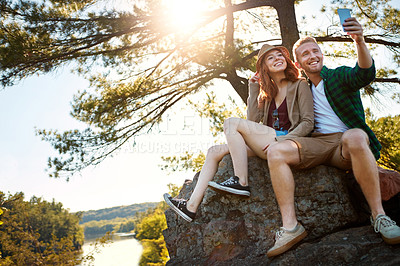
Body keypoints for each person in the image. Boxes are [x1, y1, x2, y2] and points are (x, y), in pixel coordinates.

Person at [265, 17, 400, 258]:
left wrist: (359, 40)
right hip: (316, 143)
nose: (312, 55)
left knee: (357, 136)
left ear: (322, 54)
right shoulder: (301, 88)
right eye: (305, 54)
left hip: (346, 145)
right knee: (276, 152)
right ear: (298, 63)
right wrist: (259, 85)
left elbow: (364, 73)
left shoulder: (337, 77)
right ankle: (290, 227)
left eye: (315, 50)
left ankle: (380, 216)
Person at [163, 44, 314, 222]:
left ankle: (241, 181)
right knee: (213, 151)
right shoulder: (267, 94)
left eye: (279, 55)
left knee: (231, 123)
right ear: (264, 68)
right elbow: (250, 123)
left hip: (286, 142)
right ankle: (191, 207)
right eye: (270, 58)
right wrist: (253, 89)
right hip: (267, 142)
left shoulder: (299, 85)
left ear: (286, 60)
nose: (277, 58)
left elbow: (308, 122)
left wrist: (285, 140)